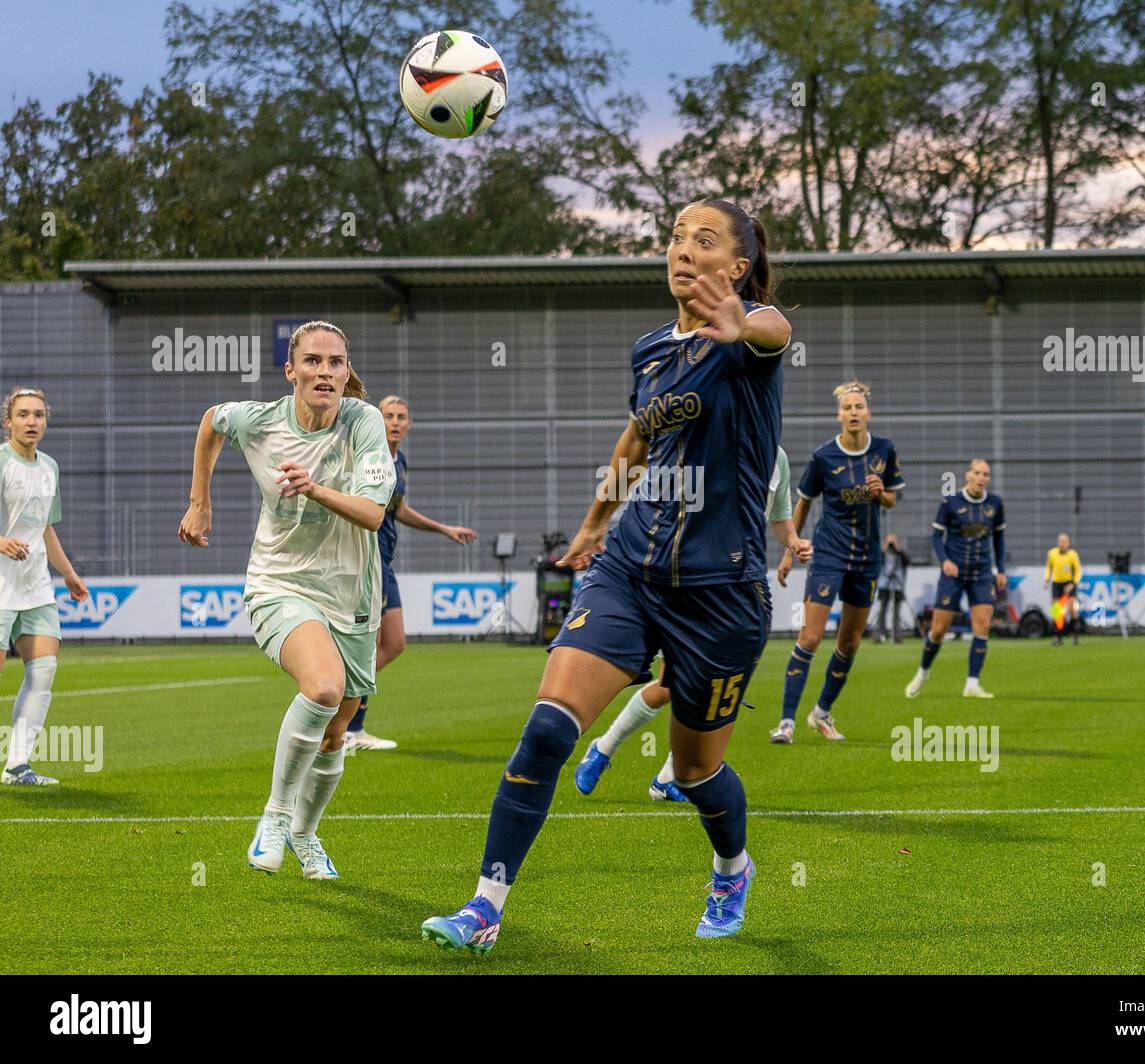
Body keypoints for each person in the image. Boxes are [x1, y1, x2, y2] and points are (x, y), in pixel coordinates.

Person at [421, 198, 790, 952]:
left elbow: (775, 331)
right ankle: (485, 908)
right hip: (632, 569)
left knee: (693, 773)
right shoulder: (651, 350)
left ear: (739, 267)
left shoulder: (752, 336)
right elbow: (635, 438)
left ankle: (732, 867)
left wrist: (743, 321)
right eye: (678, 236)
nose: (684, 250)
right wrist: (595, 523)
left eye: (706, 240)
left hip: (724, 595)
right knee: (548, 727)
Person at [179, 321, 395, 880]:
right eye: (313, 361)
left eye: (336, 363)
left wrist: (316, 488)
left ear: (347, 373)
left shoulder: (365, 422)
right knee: (322, 686)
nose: (324, 372)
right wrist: (200, 501)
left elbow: (373, 515)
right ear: (291, 371)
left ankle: (305, 833)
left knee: (336, 730)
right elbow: (211, 421)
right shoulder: (262, 420)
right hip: (280, 582)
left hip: (353, 594)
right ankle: (275, 815)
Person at [572, 444, 812, 800]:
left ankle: (668, 776)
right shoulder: (704, 439)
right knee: (673, 683)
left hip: (738, 583)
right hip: (690, 576)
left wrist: (793, 541)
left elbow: (779, 519)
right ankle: (605, 748)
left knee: (711, 685)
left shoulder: (776, 456)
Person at [770, 381, 905, 743]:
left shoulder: (885, 450)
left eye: (859, 406)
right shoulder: (823, 457)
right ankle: (786, 722)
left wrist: (882, 495)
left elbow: (893, 499)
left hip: (867, 559)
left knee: (850, 642)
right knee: (811, 636)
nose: (854, 413)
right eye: (847, 408)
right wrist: (789, 551)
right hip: (829, 555)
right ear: (839, 415)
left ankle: (822, 713)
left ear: (868, 412)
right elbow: (802, 503)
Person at [344, 395, 476, 751]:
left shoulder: (399, 461)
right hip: (366, 561)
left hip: (384, 560)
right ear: (377, 420)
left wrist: (443, 529)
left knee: (395, 644)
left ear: (409, 424)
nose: (395, 422)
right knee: (369, 647)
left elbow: (398, 510)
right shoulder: (367, 457)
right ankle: (351, 728)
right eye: (388, 416)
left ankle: (344, 711)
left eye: (402, 416)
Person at [1, 388, 89, 786]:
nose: (31, 421)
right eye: (23, 414)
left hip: (36, 584)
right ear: (9, 421)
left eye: (38, 414)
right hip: (1, 584)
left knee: (44, 670)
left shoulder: (50, 466)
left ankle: (17, 765)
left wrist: (68, 573)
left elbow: (45, 528)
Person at [905, 458, 1006, 700]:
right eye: (978, 473)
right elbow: (936, 537)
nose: (982, 478)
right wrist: (945, 561)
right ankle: (923, 671)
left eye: (986, 474)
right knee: (939, 630)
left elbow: (999, 540)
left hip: (981, 573)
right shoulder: (951, 502)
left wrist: (1000, 569)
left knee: (982, 626)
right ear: (968, 475)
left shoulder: (995, 504)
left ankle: (972, 683)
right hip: (954, 574)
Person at [1044, 532, 1082, 646]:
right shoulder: (1052, 553)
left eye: (1064, 541)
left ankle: (1075, 633)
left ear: (1068, 543)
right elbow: (1048, 568)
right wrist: (1046, 580)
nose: (1062, 544)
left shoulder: (1073, 554)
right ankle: (1058, 636)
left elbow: (1078, 571)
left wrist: (1073, 583)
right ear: (1057, 542)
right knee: (1057, 611)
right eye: (1060, 541)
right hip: (1057, 584)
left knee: (1072, 609)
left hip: (1069, 584)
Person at [873, 533, 910, 644]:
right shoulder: (883, 554)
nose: (891, 544)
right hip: (884, 585)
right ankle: (879, 635)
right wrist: (884, 548)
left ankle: (897, 636)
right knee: (882, 612)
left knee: (896, 613)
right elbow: (876, 562)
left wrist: (898, 548)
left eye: (892, 541)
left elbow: (908, 562)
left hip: (897, 585)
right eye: (889, 542)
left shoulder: (900, 554)